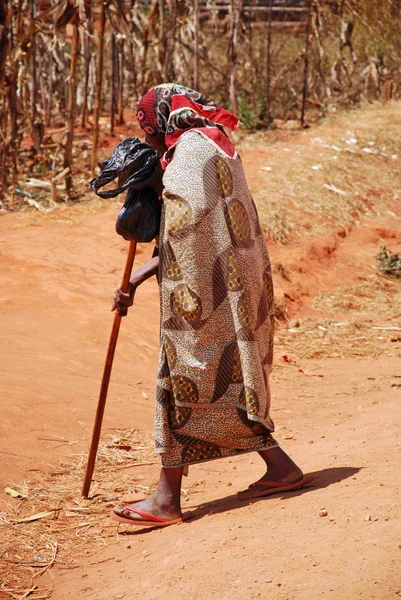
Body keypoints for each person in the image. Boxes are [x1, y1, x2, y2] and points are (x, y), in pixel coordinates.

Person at [112, 83, 313, 527]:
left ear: (160, 119)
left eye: (148, 128)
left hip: (203, 299)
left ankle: (166, 501)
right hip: (236, 289)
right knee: (224, 381)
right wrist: (138, 276)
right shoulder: (217, 145)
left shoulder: (188, 156)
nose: (147, 136)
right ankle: (280, 469)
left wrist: (140, 273)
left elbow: (186, 233)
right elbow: (195, 226)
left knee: (185, 380)